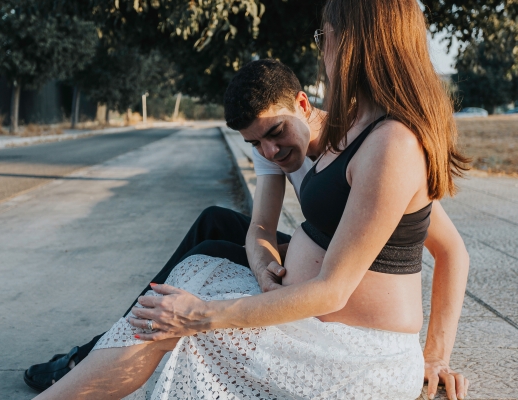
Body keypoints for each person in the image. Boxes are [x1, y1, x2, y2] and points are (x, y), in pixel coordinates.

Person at [26, 1, 471, 393]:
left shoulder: (389, 144)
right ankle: (93, 358)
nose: (269, 152)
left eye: (325, 35)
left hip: (354, 344)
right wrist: (262, 270)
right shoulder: (354, 131)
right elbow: (262, 225)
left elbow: (421, 257)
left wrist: (436, 356)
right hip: (324, 315)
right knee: (202, 251)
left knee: (183, 307)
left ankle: (83, 368)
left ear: (352, 41)